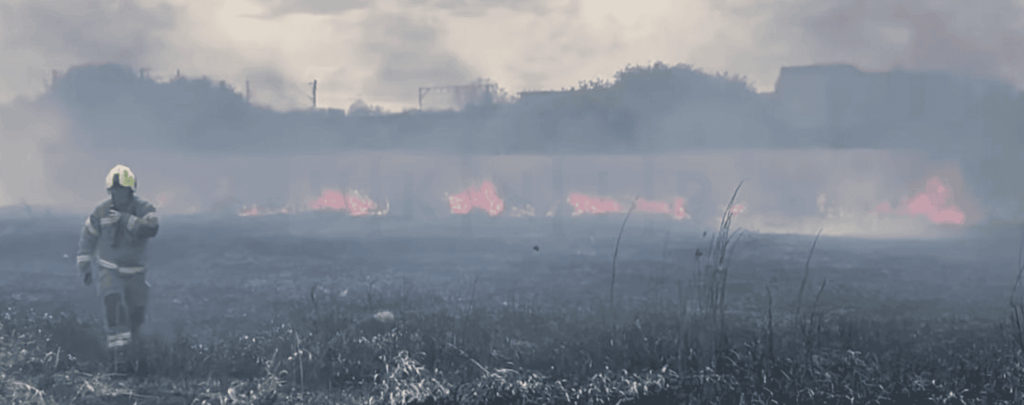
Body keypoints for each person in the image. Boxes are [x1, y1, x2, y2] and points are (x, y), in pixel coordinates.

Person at [76, 164, 159, 350]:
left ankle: (135, 344)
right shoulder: (101, 211)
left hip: (136, 271)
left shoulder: (144, 208)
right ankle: (117, 351)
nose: (117, 195)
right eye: (114, 191)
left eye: (121, 191)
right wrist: (84, 265)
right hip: (109, 268)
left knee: (136, 312)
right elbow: (88, 237)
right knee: (111, 298)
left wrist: (125, 218)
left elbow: (151, 228)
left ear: (130, 190)